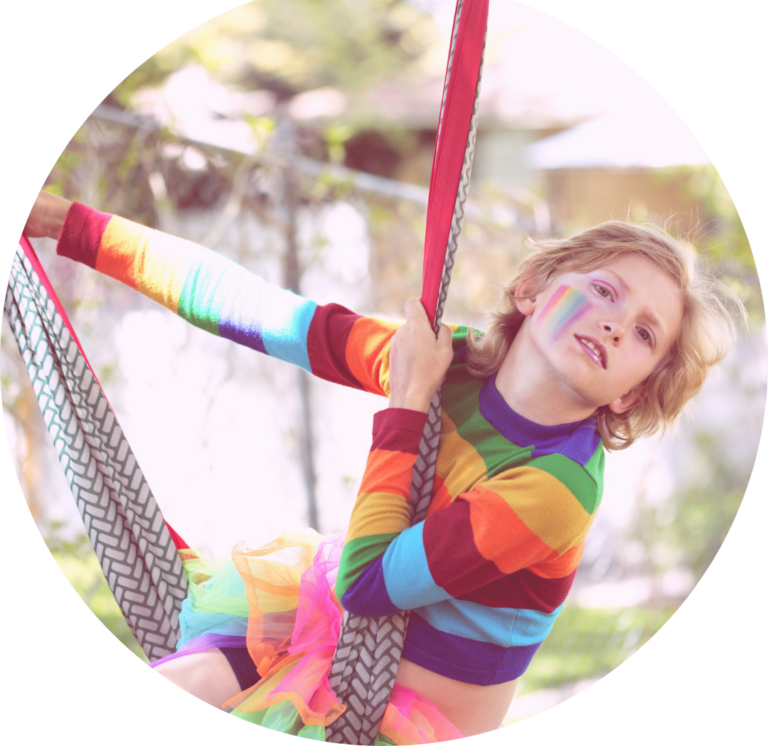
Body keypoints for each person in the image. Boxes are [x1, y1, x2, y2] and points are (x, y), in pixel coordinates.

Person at [23, 191, 739, 740]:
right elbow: (260, 313)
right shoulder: (447, 360)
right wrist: (68, 225)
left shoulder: (553, 492)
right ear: (531, 290)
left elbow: (368, 584)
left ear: (635, 391)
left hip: (394, 723)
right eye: (605, 290)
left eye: (645, 332)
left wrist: (407, 402)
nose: (616, 322)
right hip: (309, 634)